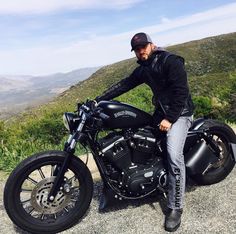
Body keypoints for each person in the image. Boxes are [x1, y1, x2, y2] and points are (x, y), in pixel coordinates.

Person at [94, 32, 194, 232]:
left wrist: (170, 118)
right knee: (137, 137)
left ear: (151, 45)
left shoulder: (170, 61)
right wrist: (98, 100)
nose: (141, 51)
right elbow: (124, 84)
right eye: (137, 49)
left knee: (174, 156)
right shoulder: (144, 69)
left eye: (143, 47)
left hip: (180, 114)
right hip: (161, 113)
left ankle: (175, 207)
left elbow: (181, 92)